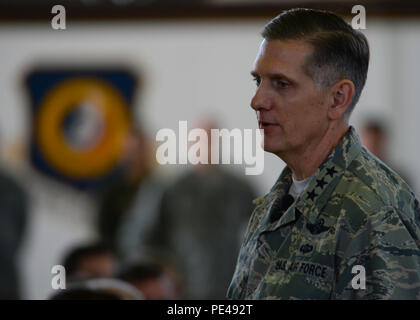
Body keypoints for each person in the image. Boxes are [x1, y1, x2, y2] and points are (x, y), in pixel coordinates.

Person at [227, 8, 420, 300]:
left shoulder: (372, 213)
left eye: (282, 84)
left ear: (337, 99)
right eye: (258, 81)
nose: (257, 101)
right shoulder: (278, 202)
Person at [141, 120, 257, 299]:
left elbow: (264, 231)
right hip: (185, 290)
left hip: (230, 288)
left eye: (212, 139)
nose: (207, 145)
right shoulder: (171, 188)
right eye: (200, 139)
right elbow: (144, 239)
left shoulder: (240, 189)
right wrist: (165, 270)